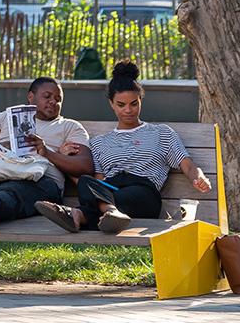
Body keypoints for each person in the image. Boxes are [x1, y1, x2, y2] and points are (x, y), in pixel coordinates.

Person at [35, 62, 211, 234]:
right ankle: (99, 214)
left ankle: (82, 214)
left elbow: (187, 164)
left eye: (134, 103)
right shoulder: (99, 143)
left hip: (143, 193)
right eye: (121, 104)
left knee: (108, 195)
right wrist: (62, 159)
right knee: (87, 182)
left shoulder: (161, 133)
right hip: (112, 189)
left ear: (140, 100)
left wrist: (199, 178)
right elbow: (97, 182)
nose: (128, 110)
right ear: (111, 103)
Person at [0, 77, 91, 238]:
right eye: (47, 96)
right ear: (31, 96)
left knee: (14, 193)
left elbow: (85, 166)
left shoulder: (70, 127)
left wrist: (47, 152)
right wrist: (4, 146)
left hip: (41, 180)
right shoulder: (3, 118)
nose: (53, 102)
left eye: (58, 99)